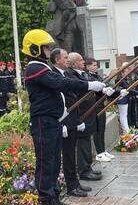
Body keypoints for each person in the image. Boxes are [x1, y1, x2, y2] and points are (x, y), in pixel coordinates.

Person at [22, 29, 107, 205]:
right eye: (45, 47)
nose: (48, 50)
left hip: (52, 121)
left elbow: (61, 84)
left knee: (53, 161)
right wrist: (88, 85)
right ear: (35, 49)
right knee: (46, 162)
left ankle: (53, 195)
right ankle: (46, 199)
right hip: (42, 121)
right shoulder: (34, 67)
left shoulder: (41, 67)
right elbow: (60, 83)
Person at [50, 48, 91, 197]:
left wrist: (78, 120)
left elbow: (74, 96)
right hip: (63, 121)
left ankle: (75, 183)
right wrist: (62, 123)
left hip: (72, 119)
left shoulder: (66, 73)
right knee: (66, 156)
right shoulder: (53, 75)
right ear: (57, 60)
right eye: (65, 57)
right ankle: (71, 187)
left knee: (71, 154)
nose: (68, 59)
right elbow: (58, 102)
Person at [84, 57, 115, 163]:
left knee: (102, 128)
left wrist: (111, 89)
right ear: (87, 66)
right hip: (94, 105)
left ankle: (103, 150)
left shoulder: (97, 75)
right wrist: (102, 89)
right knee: (97, 130)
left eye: (96, 65)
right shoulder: (87, 76)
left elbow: (106, 84)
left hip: (101, 105)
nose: (96, 66)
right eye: (93, 65)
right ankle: (99, 153)